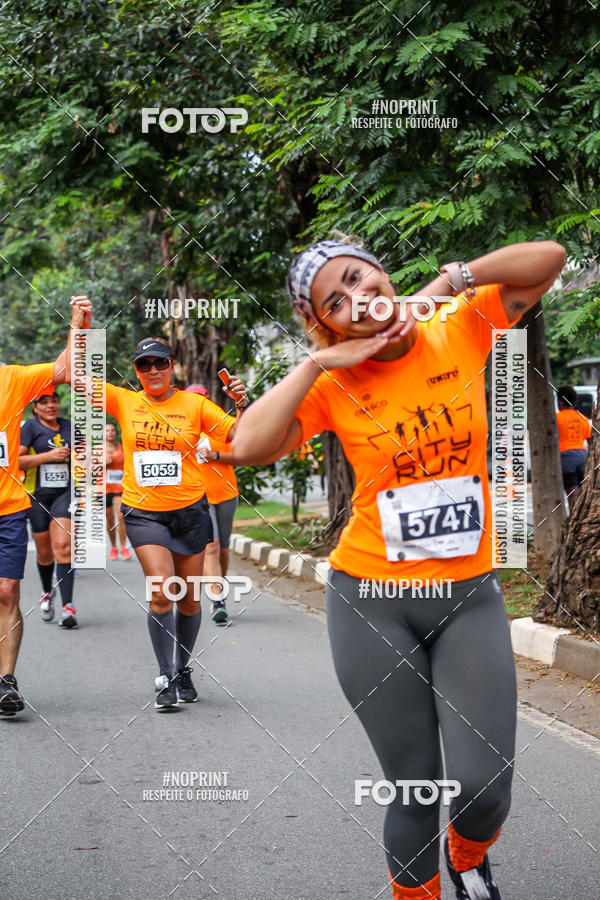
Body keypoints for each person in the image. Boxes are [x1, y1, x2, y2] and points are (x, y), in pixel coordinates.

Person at [231, 238, 566, 900]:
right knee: (414, 781)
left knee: (483, 785)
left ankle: (468, 856)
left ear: (379, 270)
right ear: (323, 322)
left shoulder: (460, 324)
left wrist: (450, 279)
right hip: (371, 599)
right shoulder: (332, 382)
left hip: (467, 596)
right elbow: (246, 446)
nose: (357, 297)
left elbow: (550, 258)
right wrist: (318, 362)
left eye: (358, 276)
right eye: (335, 301)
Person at [77, 326, 247, 711]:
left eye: (160, 363)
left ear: (173, 366)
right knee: (161, 590)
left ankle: (183, 668)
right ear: (136, 371)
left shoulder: (195, 405)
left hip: (189, 511)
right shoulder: (123, 401)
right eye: (144, 365)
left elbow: (239, 434)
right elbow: (79, 378)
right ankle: (166, 675)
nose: (152, 370)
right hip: (143, 513)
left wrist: (240, 403)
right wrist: (81, 329)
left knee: (189, 600)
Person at [0, 296, 92, 714]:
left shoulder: (11, 379)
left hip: (9, 507)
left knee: (6, 592)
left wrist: (77, 325)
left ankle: (6, 681)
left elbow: (63, 370)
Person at [185, 384, 247, 626]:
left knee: (223, 549)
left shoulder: (220, 424)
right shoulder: (182, 431)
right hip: (199, 496)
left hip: (227, 493)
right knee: (211, 546)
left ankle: (218, 591)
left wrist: (217, 456)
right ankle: (218, 600)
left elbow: (241, 451)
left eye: (201, 399)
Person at [19, 390, 78, 627]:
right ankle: (47, 591)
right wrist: (49, 456)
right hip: (37, 495)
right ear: (35, 407)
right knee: (44, 553)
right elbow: (17, 460)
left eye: (54, 401)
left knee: (63, 546)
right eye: (44, 402)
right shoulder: (30, 428)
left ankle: (68, 607)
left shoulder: (70, 426)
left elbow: (86, 457)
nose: (51, 405)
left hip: (65, 493)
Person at [555, 384, 591, 500]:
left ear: (560, 402)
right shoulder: (583, 418)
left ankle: (574, 513)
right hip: (583, 455)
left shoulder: (556, 418)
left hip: (566, 456)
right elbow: (591, 440)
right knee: (583, 489)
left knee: (572, 492)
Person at [104, 422, 130, 560]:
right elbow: (89, 470)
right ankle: (113, 547)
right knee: (109, 519)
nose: (110, 433)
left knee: (121, 516)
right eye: (107, 430)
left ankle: (123, 547)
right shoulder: (98, 450)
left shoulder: (122, 447)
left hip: (120, 487)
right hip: (104, 487)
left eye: (113, 430)